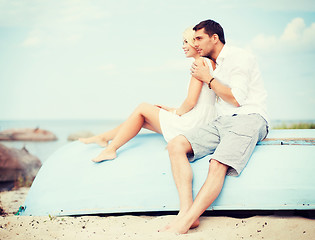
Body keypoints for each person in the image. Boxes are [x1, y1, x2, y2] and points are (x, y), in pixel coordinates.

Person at [161, 20, 269, 234]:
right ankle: (186, 213)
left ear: (215, 38)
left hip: (249, 117)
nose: (195, 43)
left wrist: (208, 79)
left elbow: (237, 99)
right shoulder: (210, 62)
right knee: (176, 145)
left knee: (216, 164)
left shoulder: (239, 57)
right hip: (222, 122)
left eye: (199, 38)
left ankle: (184, 223)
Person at [79, 27, 217, 162]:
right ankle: (103, 137)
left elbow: (191, 101)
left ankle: (110, 150)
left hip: (193, 124)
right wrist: (171, 109)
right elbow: (202, 100)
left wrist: (175, 112)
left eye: (186, 42)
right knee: (141, 120)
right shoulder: (212, 64)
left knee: (143, 108)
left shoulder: (199, 63)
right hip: (202, 121)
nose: (183, 46)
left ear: (195, 42)